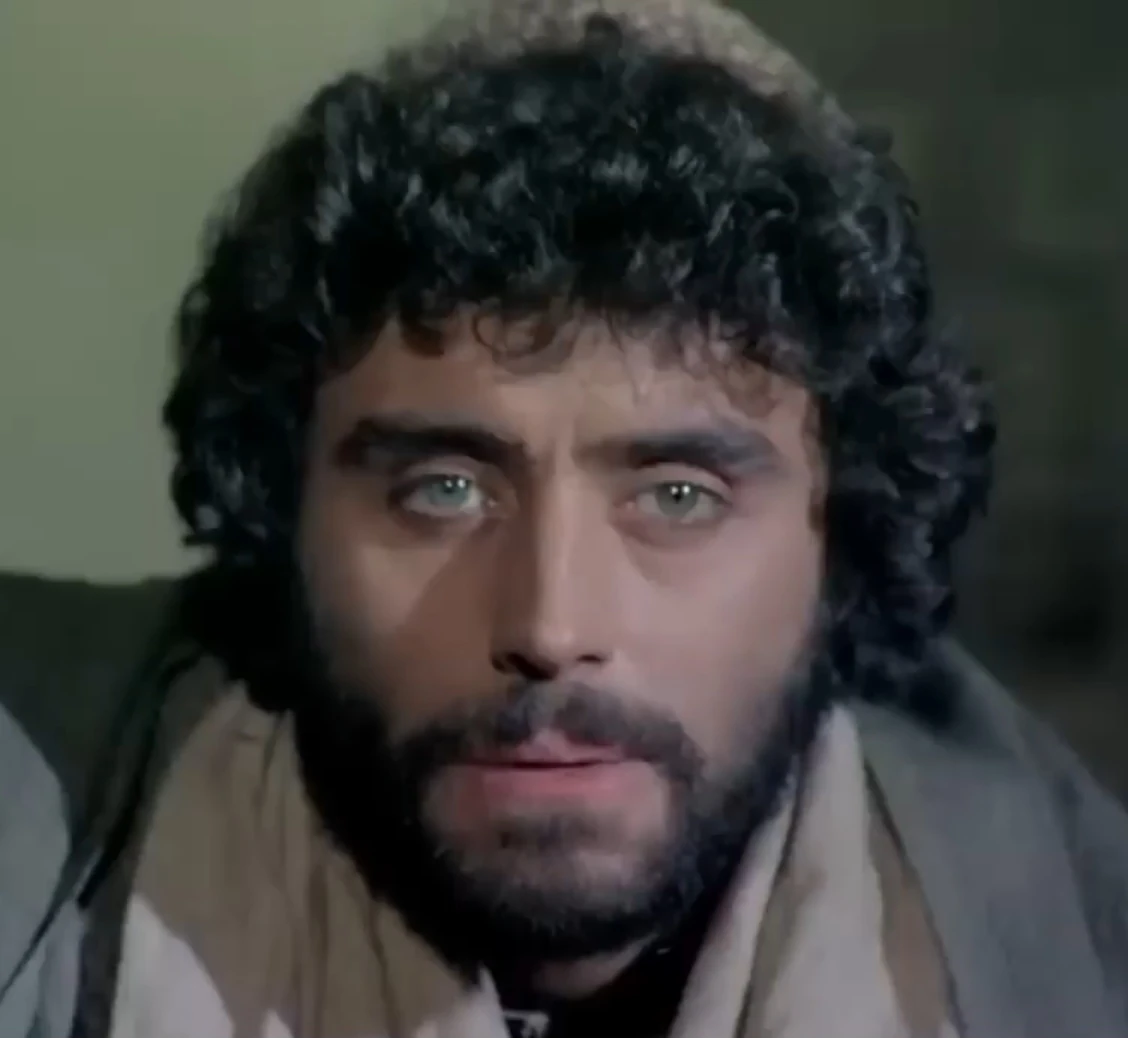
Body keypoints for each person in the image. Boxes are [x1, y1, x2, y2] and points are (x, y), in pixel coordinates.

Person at [1, 1, 1126, 1035]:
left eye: (677, 498)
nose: (549, 624)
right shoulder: (39, 816)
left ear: (843, 544)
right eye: (443, 490)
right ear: (286, 518)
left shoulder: (1072, 938)